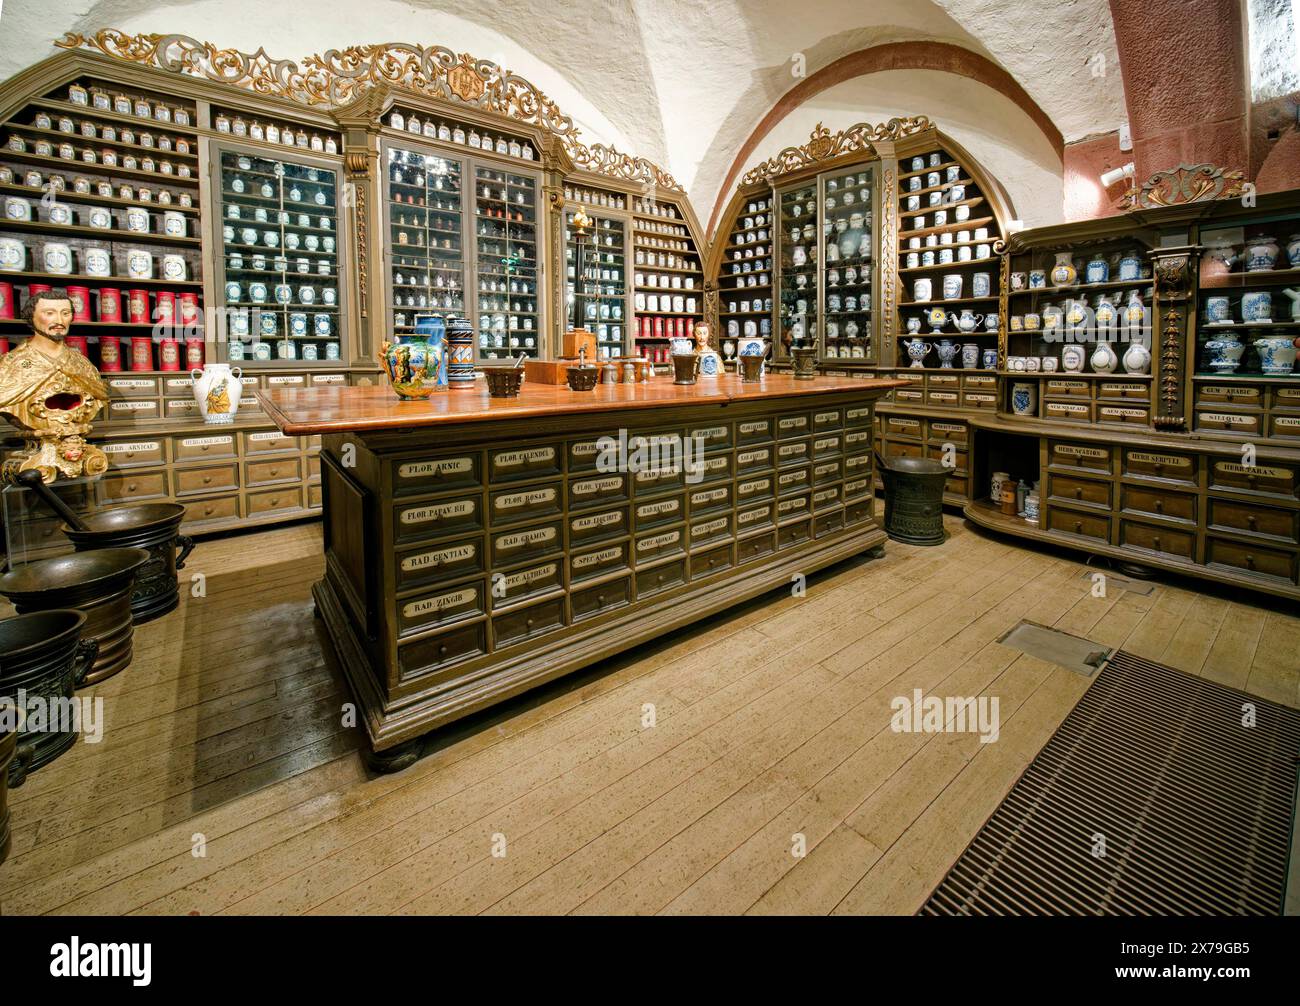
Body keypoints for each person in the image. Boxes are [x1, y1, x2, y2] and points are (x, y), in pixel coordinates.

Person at [0, 288, 109, 482]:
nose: (59, 320)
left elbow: (99, 394)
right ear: (31, 318)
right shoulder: (11, 365)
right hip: (35, 455)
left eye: (65, 313)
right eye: (49, 313)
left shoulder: (82, 364)